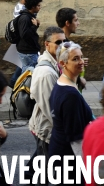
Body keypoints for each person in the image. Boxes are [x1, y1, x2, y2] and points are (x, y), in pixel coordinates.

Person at [48, 42, 93, 185]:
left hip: (60, 153)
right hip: (69, 159)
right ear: (63, 63)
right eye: (75, 59)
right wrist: (87, 169)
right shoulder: (70, 95)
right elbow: (76, 138)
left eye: (81, 57)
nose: (81, 62)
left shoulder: (61, 84)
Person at [27, 26, 65, 181]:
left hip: (50, 129)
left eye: (65, 42)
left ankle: (28, 177)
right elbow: (51, 109)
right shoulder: (46, 73)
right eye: (58, 42)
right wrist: (64, 130)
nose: (62, 46)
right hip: (47, 128)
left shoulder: (57, 63)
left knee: (40, 166)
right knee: (45, 172)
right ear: (46, 44)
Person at [14, 0, 42, 72]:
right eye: (38, 5)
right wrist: (34, 26)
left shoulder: (29, 16)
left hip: (29, 50)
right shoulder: (25, 18)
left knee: (26, 71)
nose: (40, 7)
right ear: (33, 7)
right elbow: (24, 34)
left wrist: (36, 26)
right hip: (27, 51)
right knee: (28, 74)